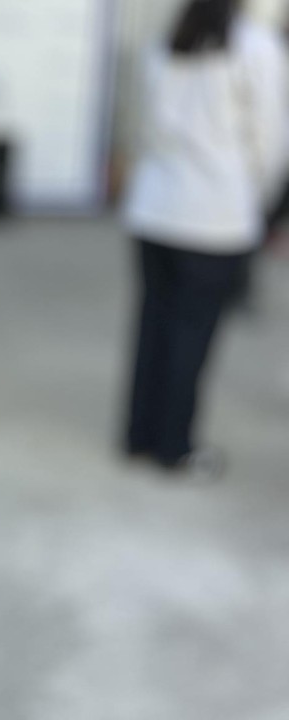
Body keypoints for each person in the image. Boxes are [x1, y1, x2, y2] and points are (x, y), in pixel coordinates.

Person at [121, 0, 289, 476]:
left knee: (154, 325)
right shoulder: (256, 46)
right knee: (191, 336)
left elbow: (143, 124)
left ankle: (138, 436)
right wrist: (256, 195)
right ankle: (174, 447)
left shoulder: (166, 39)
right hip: (216, 215)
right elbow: (272, 140)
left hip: (154, 206)